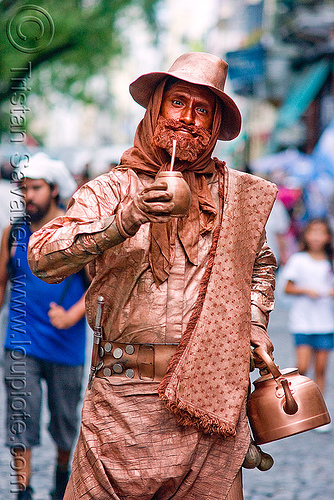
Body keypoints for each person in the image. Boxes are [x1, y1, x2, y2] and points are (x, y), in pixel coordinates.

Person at [28, 53, 278, 500]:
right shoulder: (111, 189)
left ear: (216, 125)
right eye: (177, 103)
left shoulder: (234, 196)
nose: (188, 119)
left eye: (202, 110)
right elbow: (44, 258)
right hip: (119, 407)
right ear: (155, 109)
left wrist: (255, 321)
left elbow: (260, 264)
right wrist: (127, 218)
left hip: (208, 406)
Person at [0, 153, 88, 500]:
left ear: (53, 189)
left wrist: (71, 316)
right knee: (21, 420)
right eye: (23, 189)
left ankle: (61, 479)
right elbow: (1, 285)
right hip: (20, 344)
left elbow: (98, 285)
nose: (28, 196)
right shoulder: (14, 232)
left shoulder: (75, 232)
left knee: (65, 423)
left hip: (65, 344)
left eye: (35, 188)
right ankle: (22, 492)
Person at [282, 218, 334, 431]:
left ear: (327, 237)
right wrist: (306, 291)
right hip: (302, 322)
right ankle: (302, 409)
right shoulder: (298, 260)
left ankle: (319, 413)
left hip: (326, 323)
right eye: (312, 232)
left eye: (320, 233)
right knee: (302, 368)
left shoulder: (330, 261)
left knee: (321, 369)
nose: (315, 237)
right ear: (305, 235)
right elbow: (287, 288)